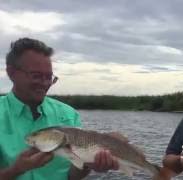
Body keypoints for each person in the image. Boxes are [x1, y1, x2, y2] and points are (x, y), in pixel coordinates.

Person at [0, 37, 119, 180]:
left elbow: (72, 176)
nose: (44, 83)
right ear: (11, 73)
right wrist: (16, 170)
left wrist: (89, 164)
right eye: (36, 76)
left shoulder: (68, 115)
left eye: (49, 77)